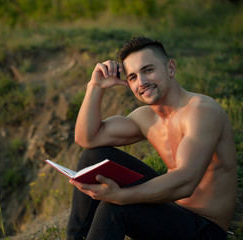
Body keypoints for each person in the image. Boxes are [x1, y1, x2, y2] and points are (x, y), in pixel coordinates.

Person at [66, 37, 237, 240]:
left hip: (205, 229)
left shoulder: (201, 112)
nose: (142, 82)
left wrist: (121, 197)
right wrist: (95, 86)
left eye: (148, 70)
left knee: (115, 207)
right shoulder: (146, 117)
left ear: (171, 68)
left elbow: (186, 182)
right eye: (132, 77)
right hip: (172, 210)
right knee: (94, 156)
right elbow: (87, 139)